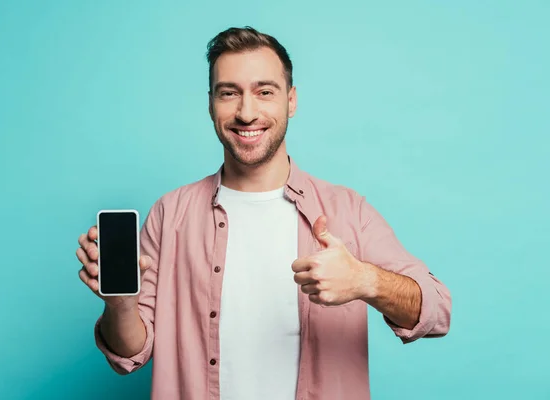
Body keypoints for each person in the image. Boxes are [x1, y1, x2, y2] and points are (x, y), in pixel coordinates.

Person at [76, 26, 452, 400]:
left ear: (291, 101)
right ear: (210, 104)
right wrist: (120, 304)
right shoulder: (170, 214)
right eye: (229, 93)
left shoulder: (347, 210)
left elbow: (436, 311)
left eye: (264, 92)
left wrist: (365, 280)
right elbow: (127, 355)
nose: (246, 112)